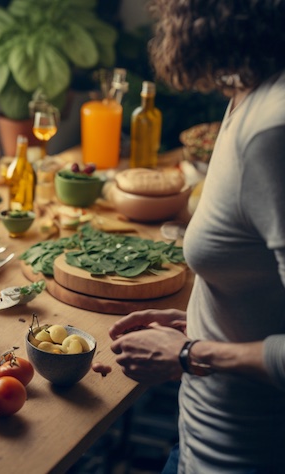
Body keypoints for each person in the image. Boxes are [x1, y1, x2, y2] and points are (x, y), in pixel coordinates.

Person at [93, 1, 285, 472]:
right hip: (202, 430)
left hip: (244, 452)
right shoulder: (251, 91)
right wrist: (196, 320)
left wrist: (189, 353)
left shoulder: (274, 129)